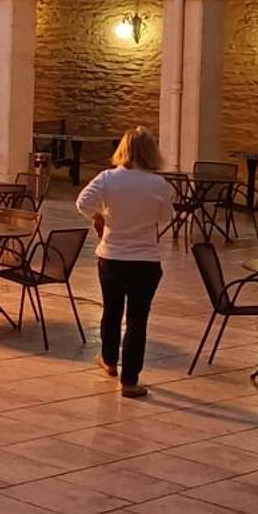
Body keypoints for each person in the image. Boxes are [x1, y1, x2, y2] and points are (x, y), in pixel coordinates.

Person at [76, 126, 173, 398]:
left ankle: (109, 361)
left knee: (111, 310)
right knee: (137, 320)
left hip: (111, 257)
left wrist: (98, 217)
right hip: (145, 260)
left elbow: (82, 202)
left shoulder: (107, 178)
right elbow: (166, 216)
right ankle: (130, 381)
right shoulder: (159, 184)